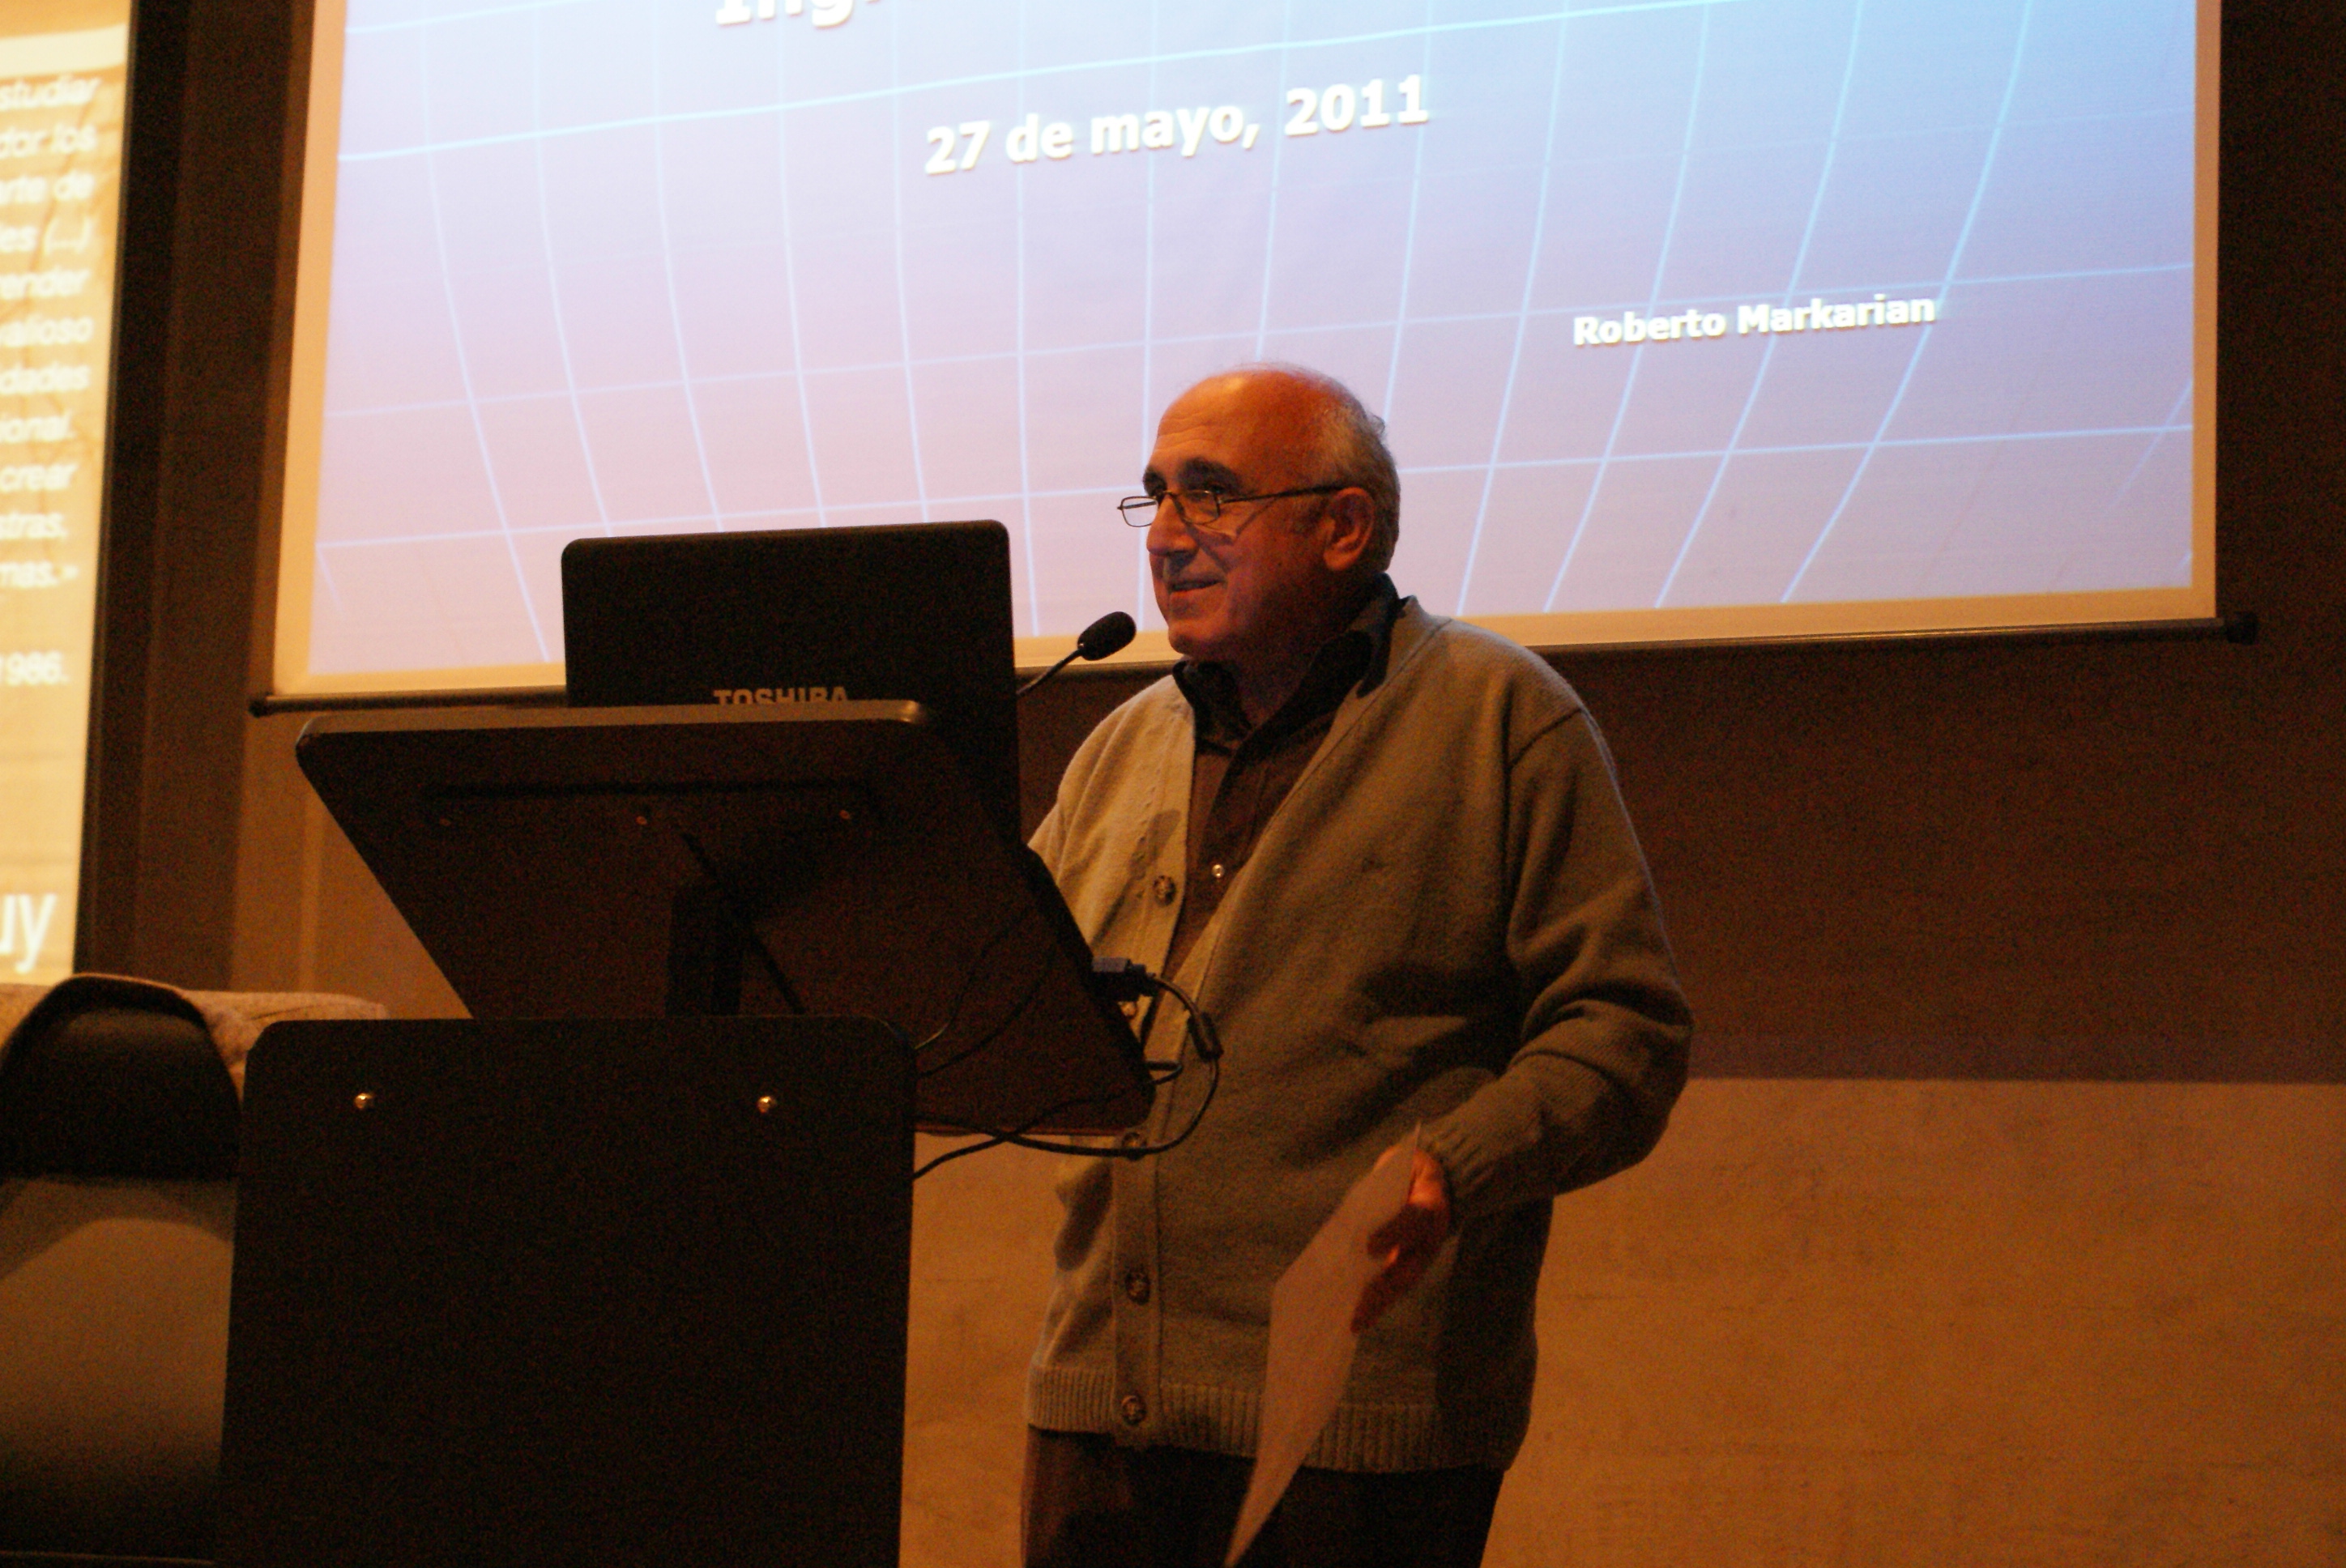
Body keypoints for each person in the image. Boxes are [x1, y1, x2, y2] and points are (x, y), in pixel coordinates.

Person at [1022, 364, 1691, 1567]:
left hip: (1357, 1443)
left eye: (1211, 496)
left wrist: (1455, 1164)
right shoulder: (1119, 747)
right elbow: (1000, 999)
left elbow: (1624, 1036)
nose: (1165, 537)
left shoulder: (1500, 718)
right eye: (1155, 497)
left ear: (1343, 527)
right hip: (1100, 1427)